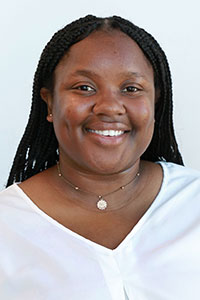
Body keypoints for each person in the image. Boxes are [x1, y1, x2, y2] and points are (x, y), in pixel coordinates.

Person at [0, 15, 200, 300]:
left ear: (155, 101)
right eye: (84, 87)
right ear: (50, 102)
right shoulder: (6, 226)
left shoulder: (194, 200)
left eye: (131, 89)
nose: (109, 107)